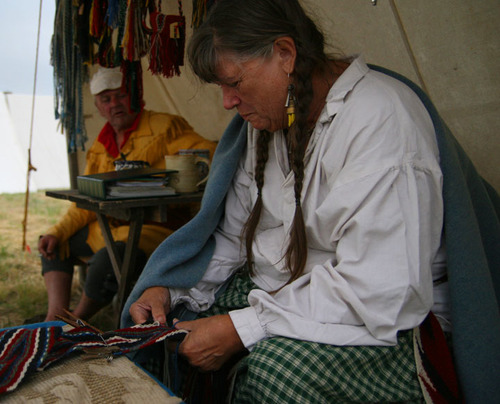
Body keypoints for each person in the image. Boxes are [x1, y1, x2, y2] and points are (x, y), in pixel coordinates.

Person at [124, 0, 499, 402]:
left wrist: (243, 327)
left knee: (279, 376)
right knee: (172, 329)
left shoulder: (380, 120)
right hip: (286, 292)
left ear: (285, 54)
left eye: (234, 82)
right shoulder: (272, 119)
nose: (228, 103)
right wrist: (173, 291)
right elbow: (233, 237)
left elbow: (379, 290)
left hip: (385, 318)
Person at [37, 67, 217, 323]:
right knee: (55, 244)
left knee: (112, 259)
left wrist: (173, 174)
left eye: (120, 96)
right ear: (98, 107)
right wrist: (57, 231)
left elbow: (208, 152)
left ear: (136, 97)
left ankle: (74, 322)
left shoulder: (164, 127)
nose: (114, 104)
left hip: (154, 228)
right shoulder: (101, 146)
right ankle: (53, 317)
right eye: (106, 99)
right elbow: (85, 201)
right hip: (108, 229)